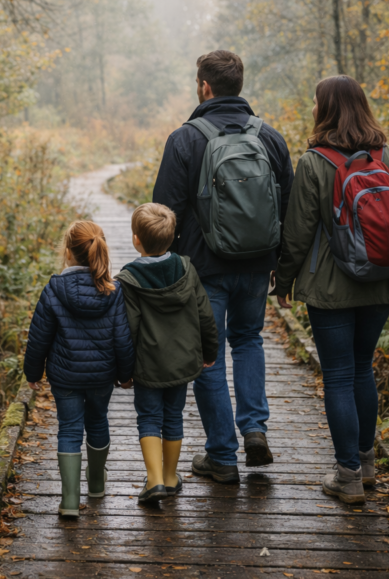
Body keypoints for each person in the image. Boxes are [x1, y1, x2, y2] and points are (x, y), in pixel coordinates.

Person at [273, 75, 389, 505]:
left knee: (337, 374)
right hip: (383, 281)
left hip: (330, 288)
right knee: (362, 368)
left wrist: (283, 281)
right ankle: (368, 463)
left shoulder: (316, 161)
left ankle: (347, 476)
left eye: (316, 102)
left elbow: (298, 232)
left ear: (325, 108)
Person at [153, 50, 294, 483]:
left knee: (207, 358)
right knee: (249, 340)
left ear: (204, 87)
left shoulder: (186, 138)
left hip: (204, 269)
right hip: (257, 266)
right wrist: (281, 267)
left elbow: (165, 212)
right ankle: (254, 428)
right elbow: (288, 207)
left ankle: (222, 456)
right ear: (240, 85)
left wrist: (169, 270)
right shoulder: (268, 137)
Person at [23, 220, 135, 518]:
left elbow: (39, 337)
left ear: (68, 254)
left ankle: (70, 501)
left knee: (69, 429)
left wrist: (33, 373)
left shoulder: (54, 289)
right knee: (98, 422)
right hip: (101, 376)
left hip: (65, 376)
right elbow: (122, 338)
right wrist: (125, 375)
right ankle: (96, 483)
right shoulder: (113, 291)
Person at [114, 203, 219, 503]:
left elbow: (127, 330)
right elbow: (205, 316)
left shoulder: (129, 280)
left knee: (148, 418)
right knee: (173, 416)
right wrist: (209, 351)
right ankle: (171, 477)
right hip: (182, 362)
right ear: (172, 238)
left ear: (136, 240)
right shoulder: (187, 269)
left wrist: (123, 372)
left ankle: (155, 481)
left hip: (147, 366)